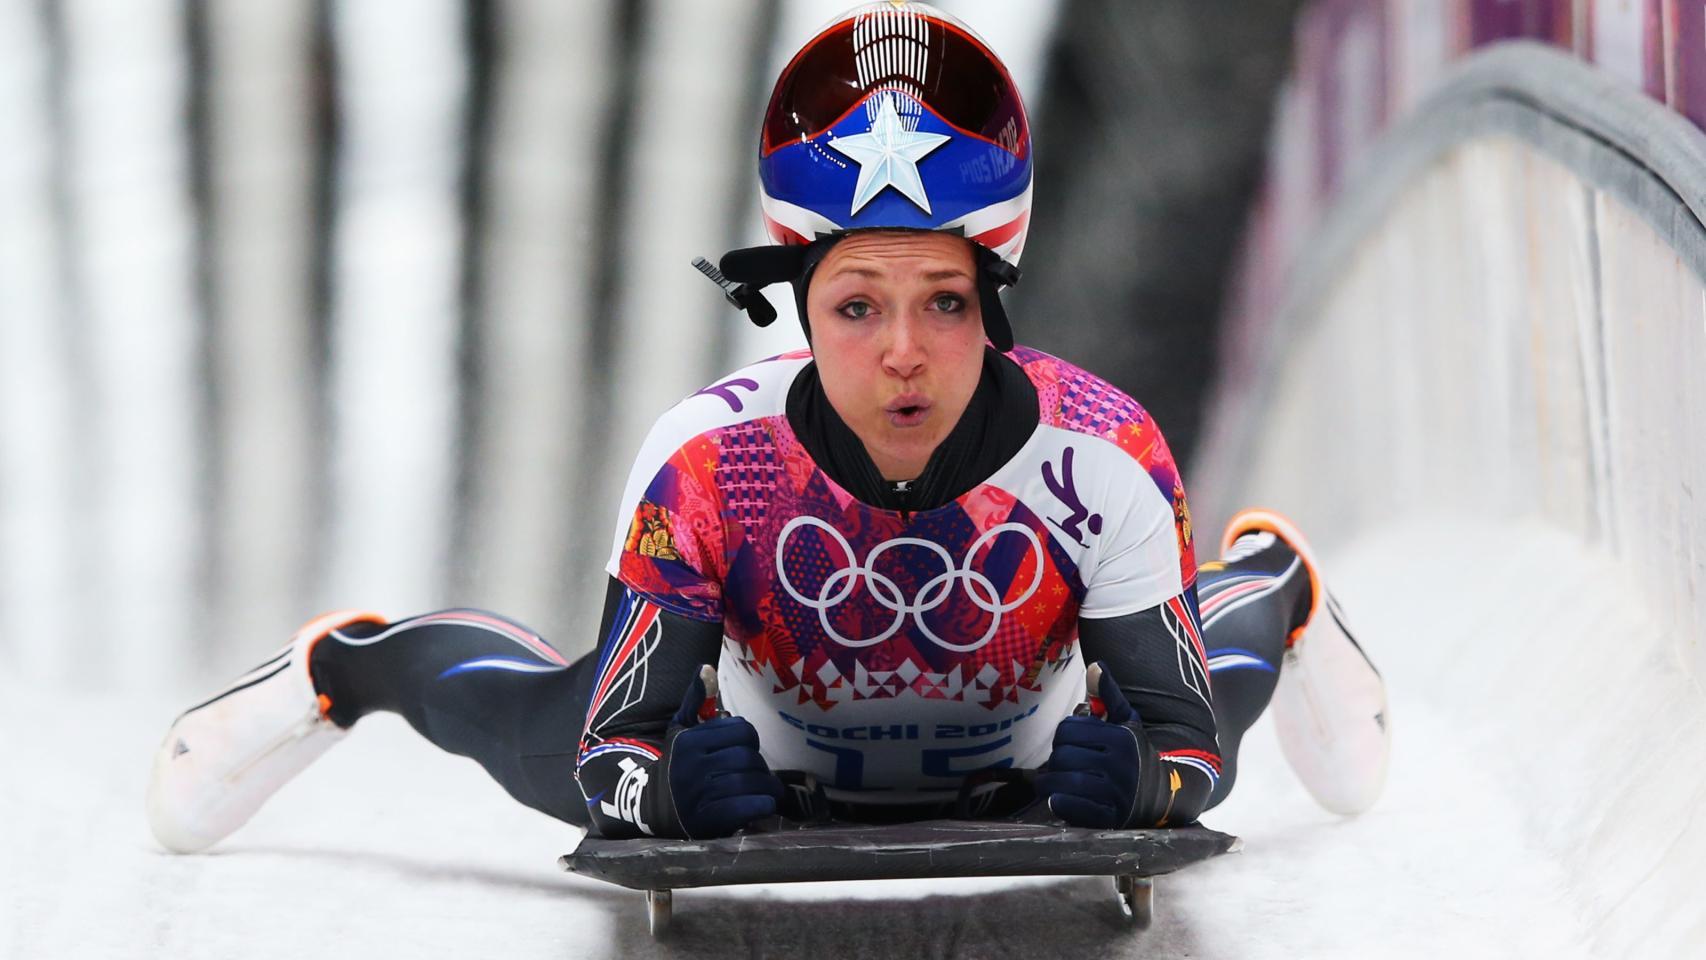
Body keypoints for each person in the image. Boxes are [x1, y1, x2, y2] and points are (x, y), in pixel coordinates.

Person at [146, 1, 1389, 853]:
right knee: (507, 718)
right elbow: (605, 749)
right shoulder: (706, 462)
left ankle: (1275, 580)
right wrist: (658, 786)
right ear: (797, 306)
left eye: (942, 303)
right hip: (750, 725)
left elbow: (1182, 744)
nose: (901, 350)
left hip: (1029, 741)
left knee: (1220, 677)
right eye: (858, 306)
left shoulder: (1102, 454)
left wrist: (1146, 780)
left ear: (994, 300)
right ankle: (341, 662)